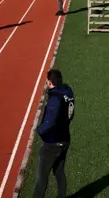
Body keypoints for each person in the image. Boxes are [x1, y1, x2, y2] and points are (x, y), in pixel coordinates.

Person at [32, 69, 74, 198]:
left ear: (51, 82)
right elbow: (70, 114)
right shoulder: (68, 91)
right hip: (65, 138)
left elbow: (50, 121)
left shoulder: (55, 99)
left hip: (53, 143)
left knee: (42, 178)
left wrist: (39, 130)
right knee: (59, 172)